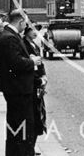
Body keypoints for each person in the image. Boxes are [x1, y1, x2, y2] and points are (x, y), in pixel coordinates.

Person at [0, 9, 41, 156]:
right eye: (25, 22)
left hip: (16, 89)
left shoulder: (10, 35)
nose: (26, 26)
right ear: (21, 21)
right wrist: (32, 61)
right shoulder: (10, 37)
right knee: (22, 128)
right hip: (18, 90)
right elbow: (15, 63)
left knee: (17, 128)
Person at [23, 26, 47, 155]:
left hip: (38, 83)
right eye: (33, 30)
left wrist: (44, 76)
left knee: (38, 117)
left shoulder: (34, 45)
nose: (35, 33)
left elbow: (40, 63)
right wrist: (40, 80)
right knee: (34, 117)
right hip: (32, 85)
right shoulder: (25, 45)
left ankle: (32, 147)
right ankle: (30, 148)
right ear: (26, 32)